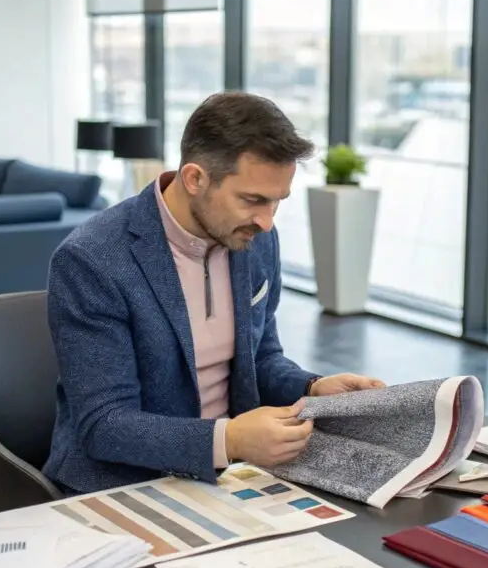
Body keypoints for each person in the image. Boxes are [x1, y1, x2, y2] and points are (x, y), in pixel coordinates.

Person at [44, 91, 385, 495]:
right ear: (195, 179)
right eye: (252, 200)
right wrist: (231, 439)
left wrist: (312, 387)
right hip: (122, 483)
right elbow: (105, 426)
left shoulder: (255, 239)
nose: (266, 221)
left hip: (232, 474)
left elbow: (260, 358)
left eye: (277, 202)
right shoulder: (93, 260)